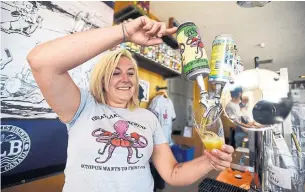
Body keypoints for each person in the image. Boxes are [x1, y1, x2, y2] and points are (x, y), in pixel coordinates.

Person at [27, 16, 234, 192]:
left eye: (131, 73)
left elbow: (172, 173)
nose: (125, 79)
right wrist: (124, 31)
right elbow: (40, 61)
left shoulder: (148, 118)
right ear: (103, 79)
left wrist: (210, 161)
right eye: (115, 73)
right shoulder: (82, 106)